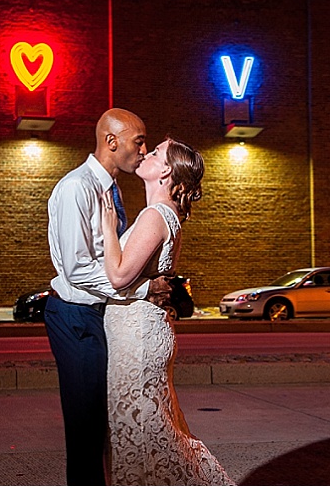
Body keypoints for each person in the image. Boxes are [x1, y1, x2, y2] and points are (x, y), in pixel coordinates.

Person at [44, 108, 171, 486]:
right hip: (75, 316)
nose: (144, 149)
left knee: (104, 425)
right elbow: (76, 268)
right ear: (111, 141)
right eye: (139, 141)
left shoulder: (112, 188)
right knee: (86, 428)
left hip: (102, 316)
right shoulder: (76, 188)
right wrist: (144, 288)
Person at [100, 138, 234, 486]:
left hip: (138, 342)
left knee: (143, 437)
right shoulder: (167, 216)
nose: (146, 154)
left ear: (166, 172)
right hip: (142, 336)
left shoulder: (154, 216)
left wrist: (107, 229)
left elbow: (118, 276)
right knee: (151, 433)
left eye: (156, 153)